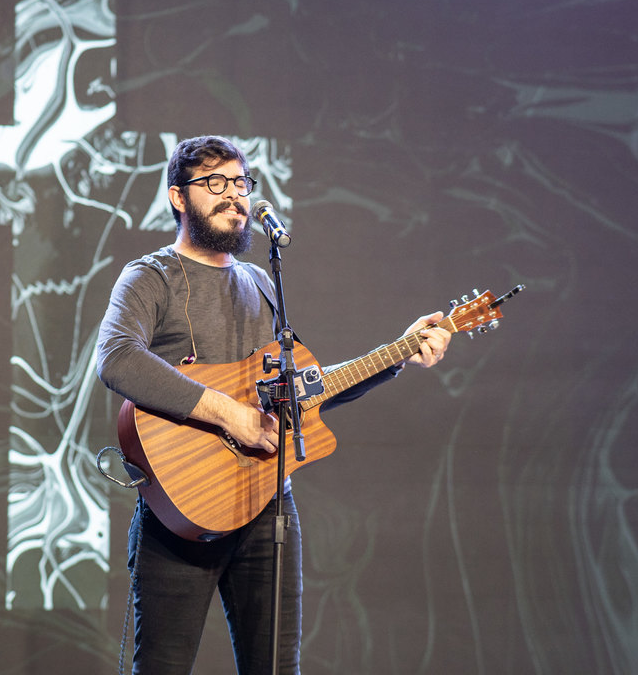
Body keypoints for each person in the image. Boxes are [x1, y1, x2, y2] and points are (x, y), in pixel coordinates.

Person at [95, 135, 452, 675]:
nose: (233, 196)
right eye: (215, 183)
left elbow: (298, 394)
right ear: (177, 197)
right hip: (178, 515)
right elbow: (118, 357)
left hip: (266, 510)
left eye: (240, 183)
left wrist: (398, 353)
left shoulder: (261, 282)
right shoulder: (151, 277)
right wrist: (228, 412)